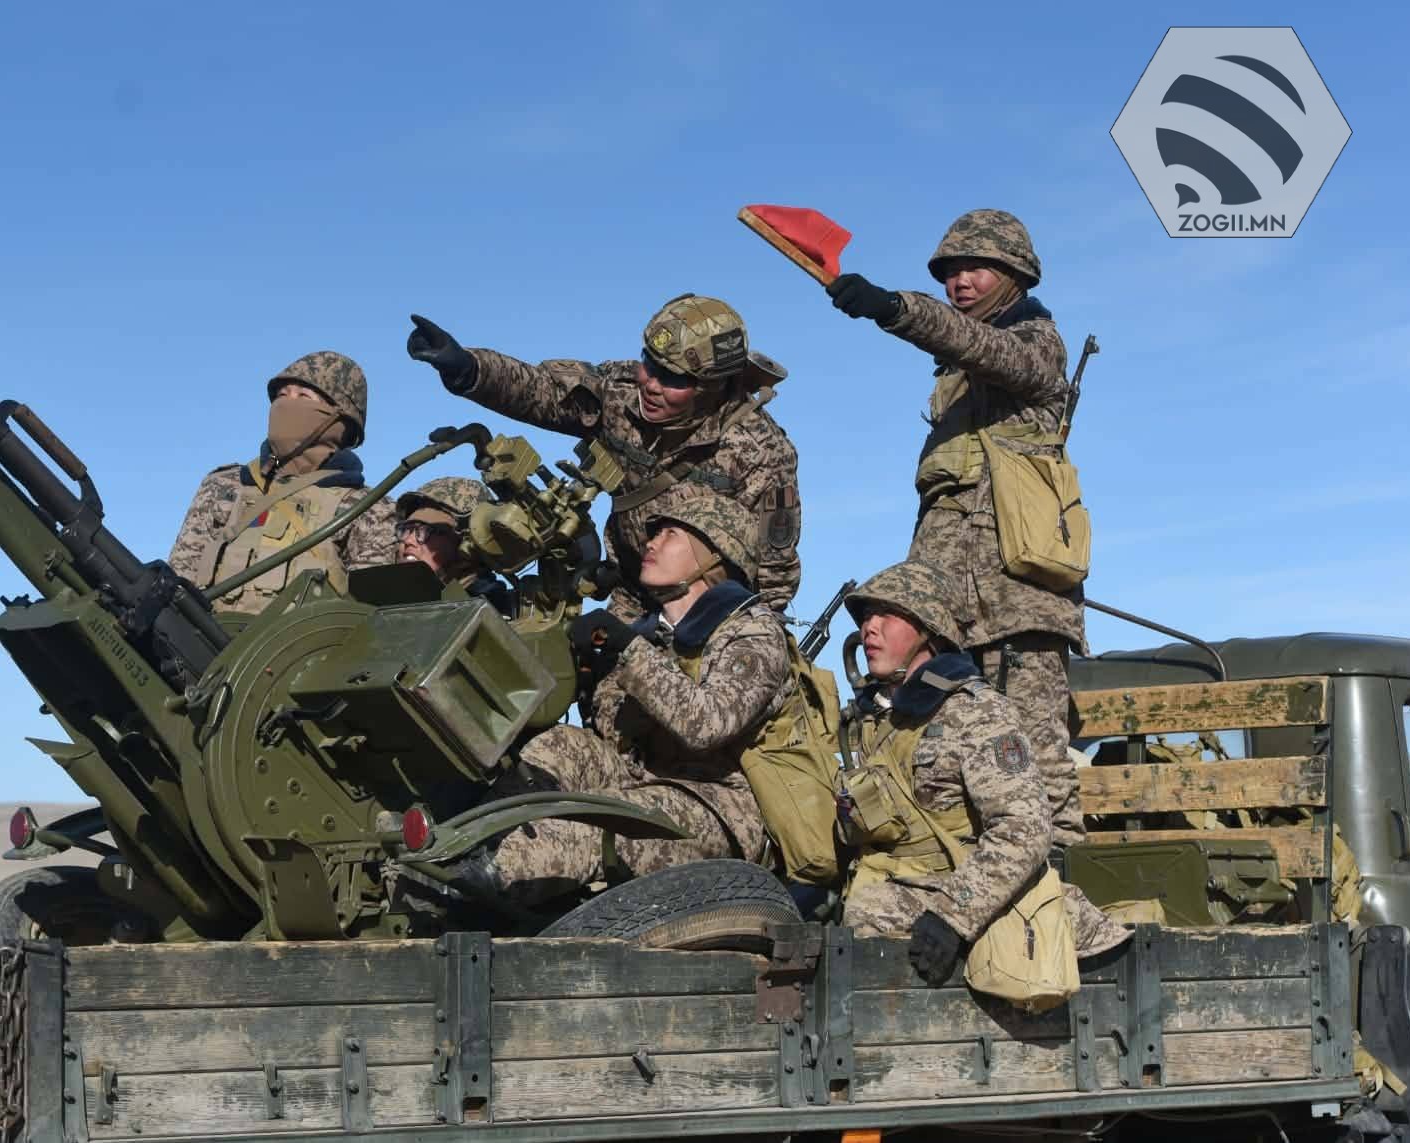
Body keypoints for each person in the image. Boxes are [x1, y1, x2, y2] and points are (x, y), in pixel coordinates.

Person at [823, 209, 1088, 851]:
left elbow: (982, 347)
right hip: (947, 608)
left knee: (1035, 755)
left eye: (976, 268)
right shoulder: (957, 377)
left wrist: (897, 309)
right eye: (949, 271)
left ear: (1014, 273)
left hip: (1018, 602)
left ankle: (1057, 886)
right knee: (936, 749)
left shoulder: (1036, 343)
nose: (959, 281)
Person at [460, 485, 793, 904]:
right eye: (655, 534)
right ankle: (471, 843)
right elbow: (613, 736)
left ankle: (478, 881)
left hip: (717, 804)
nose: (651, 543)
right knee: (560, 746)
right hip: (640, 781)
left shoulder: (753, 633)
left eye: (671, 534)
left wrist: (628, 648)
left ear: (714, 556)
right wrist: (592, 673)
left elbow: (707, 724)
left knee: (600, 821)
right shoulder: (653, 634)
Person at [406, 295, 802, 621]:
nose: (651, 385)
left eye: (673, 379)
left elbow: (773, 574)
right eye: (649, 363)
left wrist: (741, 640)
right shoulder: (621, 391)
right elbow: (543, 391)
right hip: (629, 598)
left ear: (713, 386)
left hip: (701, 614)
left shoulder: (760, 452)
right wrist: (469, 369)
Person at [835, 561, 1126, 985]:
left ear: (929, 628)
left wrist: (954, 915)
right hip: (896, 882)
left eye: (886, 615)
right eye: (865, 618)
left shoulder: (975, 713)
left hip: (967, 892)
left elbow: (1024, 829)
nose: (869, 629)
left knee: (869, 911)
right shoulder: (870, 723)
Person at [166, 351, 396, 613]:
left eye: (304, 397)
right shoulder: (225, 486)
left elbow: (367, 617)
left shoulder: (369, 509)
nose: (286, 405)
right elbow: (179, 581)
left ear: (341, 417)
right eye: (282, 396)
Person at [393, 476, 517, 616]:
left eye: (423, 531)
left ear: (466, 542)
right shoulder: (392, 605)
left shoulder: (493, 612)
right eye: (406, 530)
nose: (408, 540)